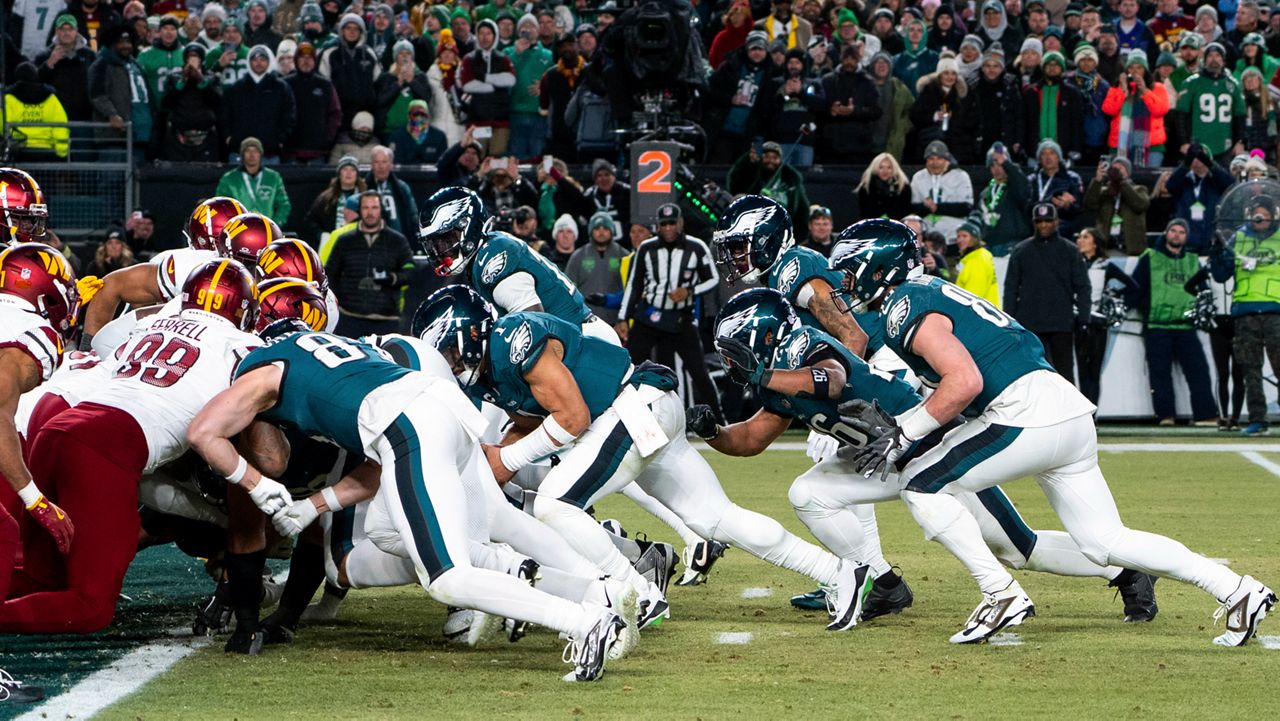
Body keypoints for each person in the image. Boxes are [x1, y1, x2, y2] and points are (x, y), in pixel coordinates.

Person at [828, 218, 1276, 647]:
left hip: (1025, 411)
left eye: (850, 271)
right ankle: (1238, 589)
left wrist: (904, 431)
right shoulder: (929, 290)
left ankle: (999, 594)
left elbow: (964, 383)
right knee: (1105, 542)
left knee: (920, 485)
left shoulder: (906, 304)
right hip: (1064, 410)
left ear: (878, 266)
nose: (845, 283)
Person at [189, 321, 628, 680]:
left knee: (447, 579)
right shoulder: (337, 354)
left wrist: (255, 483)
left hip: (409, 425)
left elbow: (203, 432)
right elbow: (382, 468)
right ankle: (585, 588)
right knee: (383, 530)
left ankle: (586, 623)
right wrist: (313, 506)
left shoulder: (263, 369)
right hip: (437, 409)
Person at [416, 291, 873, 631]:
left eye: (452, 351)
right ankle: (838, 573)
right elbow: (527, 419)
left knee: (554, 503)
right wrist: (501, 457)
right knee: (717, 519)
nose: (453, 364)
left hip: (630, 407)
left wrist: (509, 458)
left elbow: (571, 416)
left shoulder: (515, 337)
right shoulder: (488, 374)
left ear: (471, 332)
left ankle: (638, 593)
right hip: (646, 408)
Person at [2, 260, 258, 638]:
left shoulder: (153, 325)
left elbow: (99, 358)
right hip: (105, 450)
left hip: (55, 432)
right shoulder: (244, 346)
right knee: (90, 609)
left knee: (40, 579)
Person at [79, 196, 246, 348]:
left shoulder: (182, 261)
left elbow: (112, 285)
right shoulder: (185, 263)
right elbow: (116, 289)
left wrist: (87, 352)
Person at [618, 204, 724, 421]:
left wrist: (689, 291)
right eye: (663, 224)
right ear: (657, 225)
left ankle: (720, 421)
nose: (668, 228)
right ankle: (614, 417)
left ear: (680, 223)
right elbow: (634, 285)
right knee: (626, 368)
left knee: (699, 371)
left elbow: (712, 278)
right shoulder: (646, 249)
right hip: (649, 318)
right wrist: (622, 317)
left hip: (680, 320)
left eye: (671, 223)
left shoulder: (696, 247)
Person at [1126, 219, 1219, 425]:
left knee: (1199, 372)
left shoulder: (1193, 260)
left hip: (1186, 326)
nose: (1177, 235)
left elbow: (1203, 291)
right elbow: (1134, 288)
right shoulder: (1150, 257)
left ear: (1186, 237)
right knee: (1160, 375)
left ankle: (1206, 415)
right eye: (1173, 231)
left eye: (1181, 232)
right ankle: (1165, 416)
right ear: (1166, 233)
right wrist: (1141, 306)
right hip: (1157, 325)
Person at [1210, 194, 1280, 435]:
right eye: (1256, 213)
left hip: (1276, 313)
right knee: (1251, 370)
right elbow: (1221, 274)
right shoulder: (1238, 238)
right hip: (1245, 313)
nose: (1260, 217)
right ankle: (1258, 419)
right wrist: (1217, 250)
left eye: (1264, 212)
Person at [1003, 202, 1091, 377]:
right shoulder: (1021, 251)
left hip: (1061, 325)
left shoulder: (1070, 251)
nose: (1043, 225)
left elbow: (1083, 287)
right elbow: (1011, 289)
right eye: (1039, 221)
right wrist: (1009, 321)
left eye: (1048, 220)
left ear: (1056, 222)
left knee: (1064, 374)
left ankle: (1067, 406)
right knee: (1031, 375)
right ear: (1034, 223)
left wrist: (1083, 319)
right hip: (1030, 325)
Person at [324, 191, 413, 337]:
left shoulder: (397, 241)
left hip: (387, 320)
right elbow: (330, 274)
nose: (370, 212)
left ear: (381, 210)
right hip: (349, 319)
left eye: (374, 207)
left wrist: (392, 279)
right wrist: (341, 301)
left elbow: (411, 272)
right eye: (365, 208)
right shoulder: (345, 241)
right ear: (359, 210)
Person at [1075, 227, 1136, 405]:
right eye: (1079, 237)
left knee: (1094, 369)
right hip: (1078, 320)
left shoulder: (1105, 265)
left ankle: (1093, 412)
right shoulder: (1074, 263)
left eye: (1085, 237)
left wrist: (1111, 296)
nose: (1080, 240)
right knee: (1081, 369)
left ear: (1095, 243)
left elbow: (1133, 285)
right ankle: (1084, 412)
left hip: (1098, 322)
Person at [707, 30, 774, 164]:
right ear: (747, 49)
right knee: (719, 169)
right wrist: (730, 99)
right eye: (753, 48)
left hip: (750, 134)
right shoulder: (729, 66)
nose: (757, 53)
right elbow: (710, 91)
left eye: (760, 49)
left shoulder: (771, 73)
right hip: (723, 130)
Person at [221, 45, 296, 162]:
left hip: (270, 152)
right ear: (249, 62)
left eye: (262, 59)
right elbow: (225, 114)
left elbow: (289, 115)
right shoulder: (236, 88)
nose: (258, 63)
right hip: (239, 152)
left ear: (269, 61)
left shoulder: (281, 87)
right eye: (255, 60)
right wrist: (229, 138)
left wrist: (281, 140)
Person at [88, 25, 152, 156]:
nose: (126, 46)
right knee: (113, 175)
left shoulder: (136, 65)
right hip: (112, 137)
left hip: (139, 136)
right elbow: (96, 94)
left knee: (137, 175)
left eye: (128, 42)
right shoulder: (101, 64)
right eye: (120, 42)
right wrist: (111, 114)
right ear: (112, 44)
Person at [813, 42, 882, 164]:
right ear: (841, 59)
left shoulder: (868, 82)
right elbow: (817, 108)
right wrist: (831, 110)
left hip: (859, 146)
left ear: (858, 60)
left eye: (853, 58)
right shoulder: (828, 81)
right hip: (831, 145)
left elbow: (876, 111)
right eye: (846, 58)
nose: (849, 62)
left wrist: (854, 111)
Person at [1176, 43, 1244, 164]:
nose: (1214, 59)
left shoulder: (1233, 84)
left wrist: (1240, 141)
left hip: (1225, 144)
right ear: (1204, 59)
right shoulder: (1192, 82)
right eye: (1210, 56)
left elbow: (1239, 116)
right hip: (1198, 143)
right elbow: (1181, 114)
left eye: (1218, 55)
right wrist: (1184, 141)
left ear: (1223, 60)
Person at [727, 141, 810, 236]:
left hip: (782, 232)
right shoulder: (751, 173)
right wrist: (748, 163)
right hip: (752, 231)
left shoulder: (791, 180)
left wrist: (796, 237)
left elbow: (802, 210)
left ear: (780, 160)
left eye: (775, 158)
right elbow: (735, 187)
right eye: (767, 157)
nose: (770, 161)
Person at [1100, 52, 1168, 167]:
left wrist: (1145, 91)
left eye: (1139, 67)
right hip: (1120, 145)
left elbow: (1160, 110)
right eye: (1131, 67)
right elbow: (1109, 110)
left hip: (1152, 146)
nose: (1134, 71)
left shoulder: (1158, 88)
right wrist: (1122, 90)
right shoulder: (1116, 88)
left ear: (1145, 70)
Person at [459, 19, 516, 155]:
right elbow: (467, 84)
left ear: (495, 35)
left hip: (500, 119)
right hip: (476, 119)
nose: (485, 37)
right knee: (476, 157)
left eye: (488, 33)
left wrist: (485, 78)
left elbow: (510, 79)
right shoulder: (469, 59)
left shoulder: (503, 58)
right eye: (481, 33)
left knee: (497, 160)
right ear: (477, 35)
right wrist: (493, 86)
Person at [961, 45, 1023, 163]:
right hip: (979, 142)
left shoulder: (1010, 86)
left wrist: (1018, 140)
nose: (991, 70)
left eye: (996, 66)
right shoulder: (973, 86)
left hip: (1005, 140)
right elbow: (965, 117)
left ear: (1002, 68)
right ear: (982, 67)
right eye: (988, 66)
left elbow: (1019, 116)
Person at [319, 14, 381, 131]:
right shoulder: (330, 53)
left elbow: (378, 82)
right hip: (338, 113)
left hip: (364, 115)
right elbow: (324, 83)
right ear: (342, 30)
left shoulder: (369, 54)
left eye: (355, 29)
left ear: (361, 31)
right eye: (348, 28)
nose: (352, 32)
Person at [283, 40, 342, 164]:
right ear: (296, 60)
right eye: (302, 58)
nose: (306, 61)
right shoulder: (285, 84)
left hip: (318, 151)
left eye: (310, 58)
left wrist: (327, 138)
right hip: (291, 150)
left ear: (315, 61)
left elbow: (335, 113)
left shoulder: (325, 84)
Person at [504, 14, 553, 160]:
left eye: (531, 26)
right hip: (515, 114)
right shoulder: (508, 53)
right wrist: (517, 54)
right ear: (519, 31)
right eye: (524, 26)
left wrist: (543, 86)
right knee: (516, 158)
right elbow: (506, 76)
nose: (528, 29)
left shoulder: (548, 55)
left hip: (539, 116)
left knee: (538, 156)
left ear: (537, 31)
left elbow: (554, 80)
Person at [567, 211, 628, 324]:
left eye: (605, 228)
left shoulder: (624, 256)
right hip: (585, 321)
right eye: (597, 228)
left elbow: (630, 291)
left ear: (612, 231)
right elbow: (568, 289)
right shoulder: (578, 256)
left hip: (615, 322)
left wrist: (623, 320)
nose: (601, 232)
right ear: (591, 231)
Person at [36, 13, 97, 124]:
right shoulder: (44, 56)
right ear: (56, 31)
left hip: (84, 117)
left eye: (70, 29)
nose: (66, 33)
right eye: (62, 29)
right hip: (54, 117)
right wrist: (49, 64)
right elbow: (36, 83)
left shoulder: (90, 55)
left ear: (77, 31)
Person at [909, 140, 973, 243]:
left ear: (947, 160)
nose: (935, 163)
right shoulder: (918, 178)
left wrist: (937, 208)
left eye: (939, 158)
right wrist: (925, 207)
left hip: (953, 237)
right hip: (926, 238)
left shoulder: (961, 176)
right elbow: (912, 208)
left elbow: (966, 207)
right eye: (931, 159)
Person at [1084, 156, 1150, 255]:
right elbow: (1090, 204)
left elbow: (1141, 205)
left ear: (1128, 173)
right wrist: (1097, 180)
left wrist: (1122, 182)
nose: (1116, 171)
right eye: (1114, 168)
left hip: (1130, 247)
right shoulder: (1104, 192)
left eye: (1120, 168)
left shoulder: (1139, 189)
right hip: (1106, 246)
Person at [3, 63, 69, 161]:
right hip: (46, 151)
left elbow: (2, 124)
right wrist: (61, 153)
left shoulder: (9, 98)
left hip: (18, 152)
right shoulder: (51, 98)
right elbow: (60, 125)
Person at [214, 138, 292, 221]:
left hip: (268, 230)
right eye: (248, 151)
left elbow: (284, 205)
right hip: (238, 230)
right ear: (242, 154)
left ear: (260, 154)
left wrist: (276, 224)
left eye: (255, 151)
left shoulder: (273, 178)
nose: (252, 155)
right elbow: (221, 207)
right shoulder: (229, 179)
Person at [975, 142, 1031, 255]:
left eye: (1000, 165)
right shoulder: (985, 193)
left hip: (1012, 244)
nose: (997, 169)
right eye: (993, 165)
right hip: (988, 246)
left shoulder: (1014, 187)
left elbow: (1023, 190)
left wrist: (1007, 163)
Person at [909, 53, 967, 158]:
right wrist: (934, 116)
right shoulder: (928, 91)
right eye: (946, 73)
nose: (950, 77)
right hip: (927, 143)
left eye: (953, 73)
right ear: (939, 75)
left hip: (953, 144)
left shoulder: (959, 95)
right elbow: (915, 115)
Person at [374, 39, 432, 140]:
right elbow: (380, 101)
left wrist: (412, 82)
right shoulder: (386, 77)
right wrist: (398, 84)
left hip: (415, 131)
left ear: (412, 57)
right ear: (395, 58)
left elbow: (426, 99)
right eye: (401, 53)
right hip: (389, 131)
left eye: (408, 53)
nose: (405, 56)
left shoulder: (420, 77)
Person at [1027, 139, 1085, 234]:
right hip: (1036, 230)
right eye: (1044, 154)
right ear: (1039, 159)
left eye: (1052, 153)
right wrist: (1050, 201)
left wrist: (1068, 206)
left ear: (1058, 157)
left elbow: (1079, 208)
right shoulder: (1031, 180)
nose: (1048, 157)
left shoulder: (1072, 178)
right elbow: (1026, 207)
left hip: (1063, 230)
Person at [306, 156, 366, 246]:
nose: (348, 173)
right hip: (332, 244)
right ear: (339, 173)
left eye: (353, 170)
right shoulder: (326, 198)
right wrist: (322, 235)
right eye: (345, 169)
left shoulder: (365, 198)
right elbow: (310, 221)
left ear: (357, 174)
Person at [365, 145, 419, 244]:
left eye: (384, 162)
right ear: (371, 165)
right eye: (377, 162)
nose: (381, 166)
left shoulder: (402, 188)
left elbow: (413, 216)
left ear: (391, 164)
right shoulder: (363, 187)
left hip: (398, 241)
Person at [865, 51, 913, 160]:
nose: (882, 65)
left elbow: (911, 109)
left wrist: (902, 126)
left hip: (891, 144)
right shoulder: (864, 86)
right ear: (872, 67)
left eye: (885, 62)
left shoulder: (899, 88)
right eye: (878, 62)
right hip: (866, 144)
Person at [856, 152, 913, 221]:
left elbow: (904, 212)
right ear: (875, 168)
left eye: (889, 168)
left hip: (897, 225)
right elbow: (865, 213)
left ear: (893, 169)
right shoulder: (866, 187)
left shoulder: (903, 187)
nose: (885, 171)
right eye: (881, 167)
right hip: (872, 225)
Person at [389, 99, 449, 164]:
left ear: (428, 116)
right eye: (415, 114)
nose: (419, 118)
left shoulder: (439, 136)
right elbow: (395, 163)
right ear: (409, 116)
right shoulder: (396, 137)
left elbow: (443, 164)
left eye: (422, 114)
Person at [954, 221, 999, 307]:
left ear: (975, 238)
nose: (960, 240)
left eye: (964, 236)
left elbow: (973, 296)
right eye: (958, 236)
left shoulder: (977, 259)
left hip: (979, 314)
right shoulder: (979, 256)